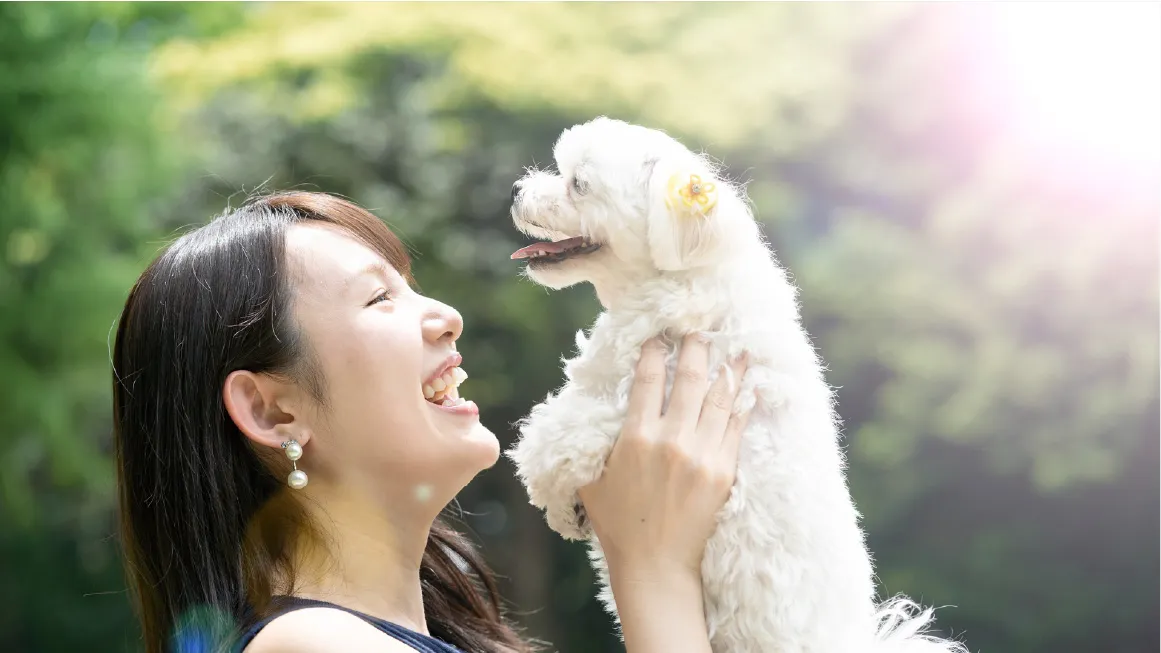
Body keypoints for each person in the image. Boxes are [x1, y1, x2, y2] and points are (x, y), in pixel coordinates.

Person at [111, 191, 752, 653]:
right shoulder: (310, 645)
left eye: (411, 286)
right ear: (273, 410)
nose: (447, 314)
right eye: (379, 297)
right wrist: (652, 570)